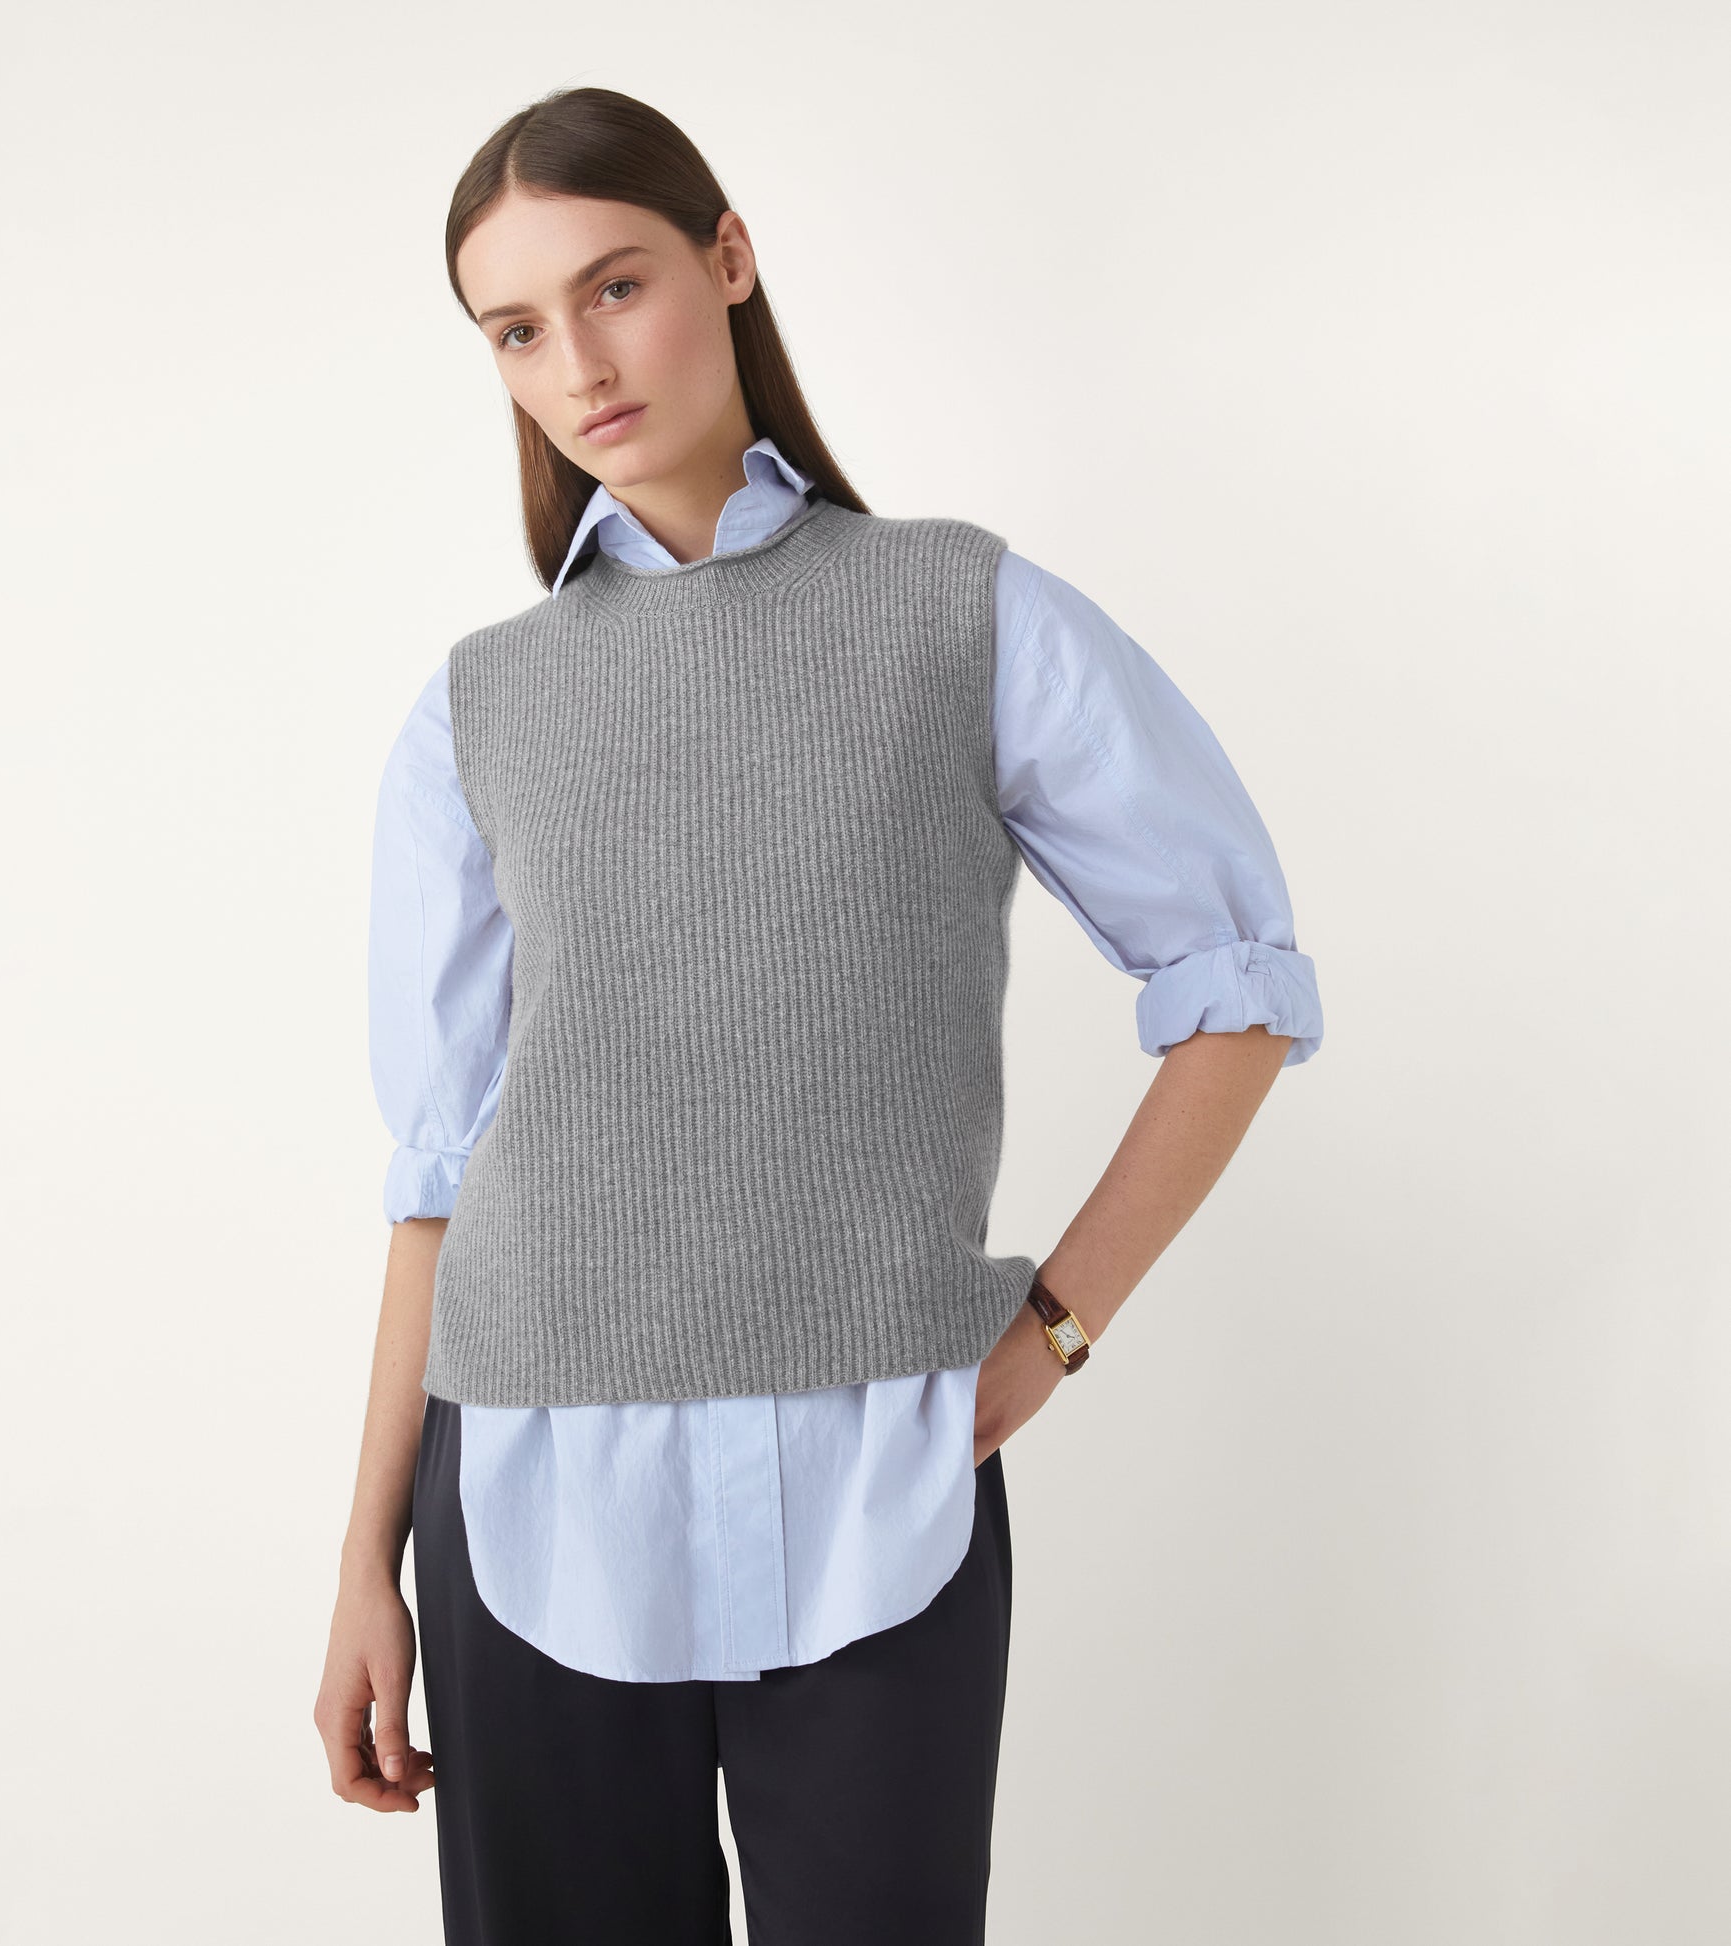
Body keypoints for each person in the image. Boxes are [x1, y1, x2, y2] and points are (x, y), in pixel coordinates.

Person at [315, 86, 1324, 1946]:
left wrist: (1052, 1327)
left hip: (885, 1478)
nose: (576, 364)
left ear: (727, 257)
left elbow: (1235, 988)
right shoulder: (476, 711)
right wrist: (366, 1562)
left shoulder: (963, 613)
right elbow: (439, 1170)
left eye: (613, 286)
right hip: (525, 1484)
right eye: (516, 329)